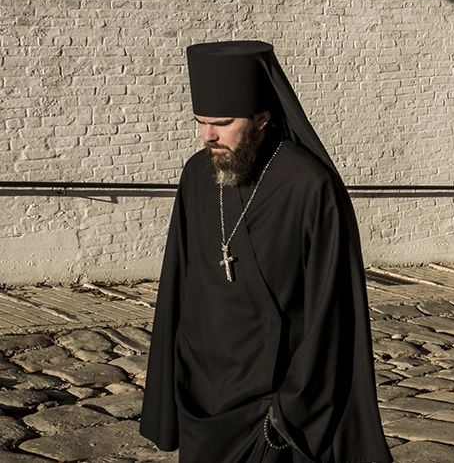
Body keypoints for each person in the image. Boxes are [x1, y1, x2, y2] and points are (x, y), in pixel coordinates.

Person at [141, 41, 391, 463]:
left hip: (270, 408)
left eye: (221, 122)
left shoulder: (309, 187)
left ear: (261, 117)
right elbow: (177, 283)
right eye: (200, 122)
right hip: (201, 395)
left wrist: (290, 410)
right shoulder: (196, 177)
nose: (208, 136)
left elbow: (332, 309)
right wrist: (171, 385)